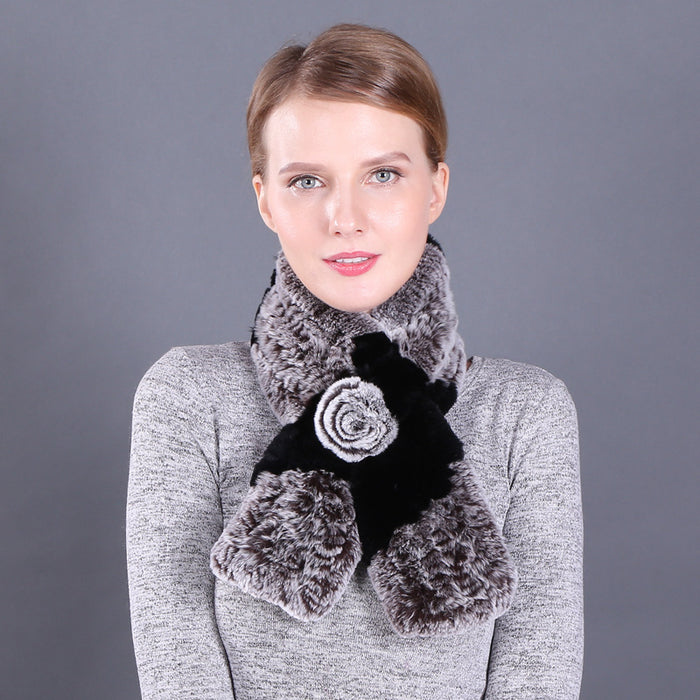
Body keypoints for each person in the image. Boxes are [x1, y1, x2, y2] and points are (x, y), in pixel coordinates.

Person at [126, 23, 583, 699]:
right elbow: (178, 661)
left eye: (383, 174)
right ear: (265, 198)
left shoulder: (525, 413)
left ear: (435, 188)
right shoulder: (190, 397)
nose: (345, 216)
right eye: (307, 180)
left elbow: (538, 671)